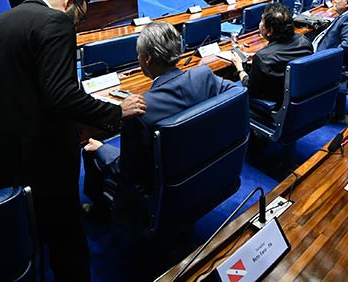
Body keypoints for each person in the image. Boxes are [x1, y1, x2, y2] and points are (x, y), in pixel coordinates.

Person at [0, 0, 146, 281]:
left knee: (11, 247)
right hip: (40, 162)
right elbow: (61, 95)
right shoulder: (56, 22)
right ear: (69, 3)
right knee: (66, 239)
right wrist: (115, 112)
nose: (76, 26)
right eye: (80, 18)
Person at [82, 22, 241, 225]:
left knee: (90, 150)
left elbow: (128, 173)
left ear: (147, 59)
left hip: (160, 194)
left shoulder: (141, 112)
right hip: (208, 173)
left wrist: (102, 148)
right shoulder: (204, 76)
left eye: (138, 54)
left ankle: (103, 213)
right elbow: (238, 92)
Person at [230, 1, 313, 109]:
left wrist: (240, 68)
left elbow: (250, 90)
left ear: (270, 31)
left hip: (275, 105)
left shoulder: (263, 58)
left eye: (262, 20)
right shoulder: (304, 40)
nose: (260, 24)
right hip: (300, 99)